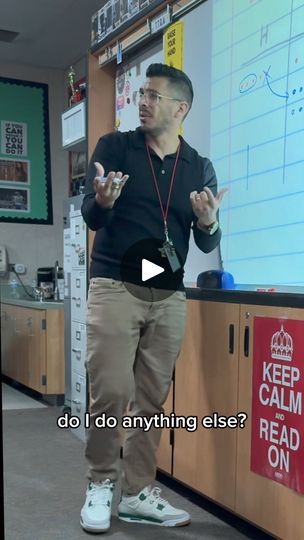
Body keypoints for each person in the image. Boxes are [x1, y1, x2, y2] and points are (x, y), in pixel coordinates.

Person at [80, 63, 227, 533]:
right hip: (115, 284)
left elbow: (207, 242)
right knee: (111, 391)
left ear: (180, 109)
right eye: (141, 93)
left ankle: (138, 493)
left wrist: (208, 222)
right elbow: (93, 216)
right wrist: (102, 201)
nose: (142, 102)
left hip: (166, 294)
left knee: (150, 396)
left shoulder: (197, 166)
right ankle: (101, 484)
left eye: (154, 96)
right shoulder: (116, 147)